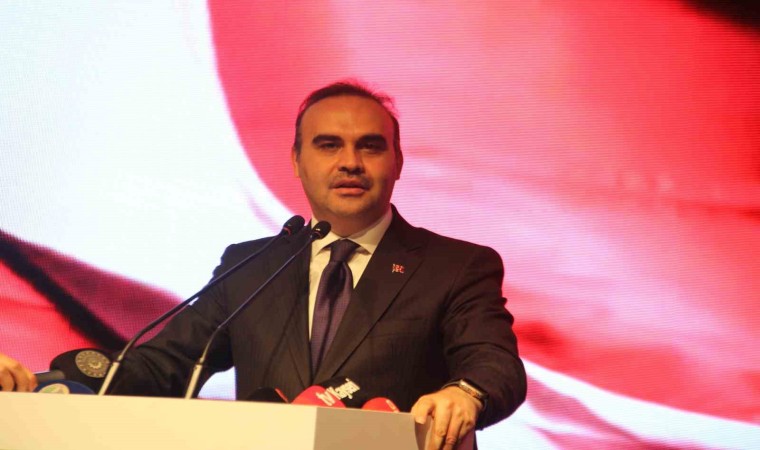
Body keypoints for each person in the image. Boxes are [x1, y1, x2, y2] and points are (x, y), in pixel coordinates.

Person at [1, 81, 527, 449]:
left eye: (369, 147)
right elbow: (163, 366)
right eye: (328, 145)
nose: (350, 162)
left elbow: (495, 364)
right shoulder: (252, 265)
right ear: (297, 161)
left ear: (398, 162)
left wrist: (465, 393)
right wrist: (42, 381)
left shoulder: (456, 266)